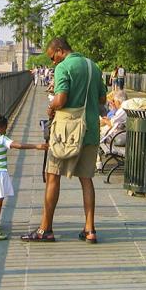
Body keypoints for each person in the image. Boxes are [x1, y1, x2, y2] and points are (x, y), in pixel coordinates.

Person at [22, 37, 106, 244]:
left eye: (52, 57)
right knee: (86, 180)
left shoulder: (63, 67)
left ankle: (45, 229)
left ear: (60, 51)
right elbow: (102, 99)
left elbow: (61, 100)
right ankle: (89, 229)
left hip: (66, 132)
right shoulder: (92, 66)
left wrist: (51, 107)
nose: (52, 62)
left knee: (52, 176)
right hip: (91, 129)